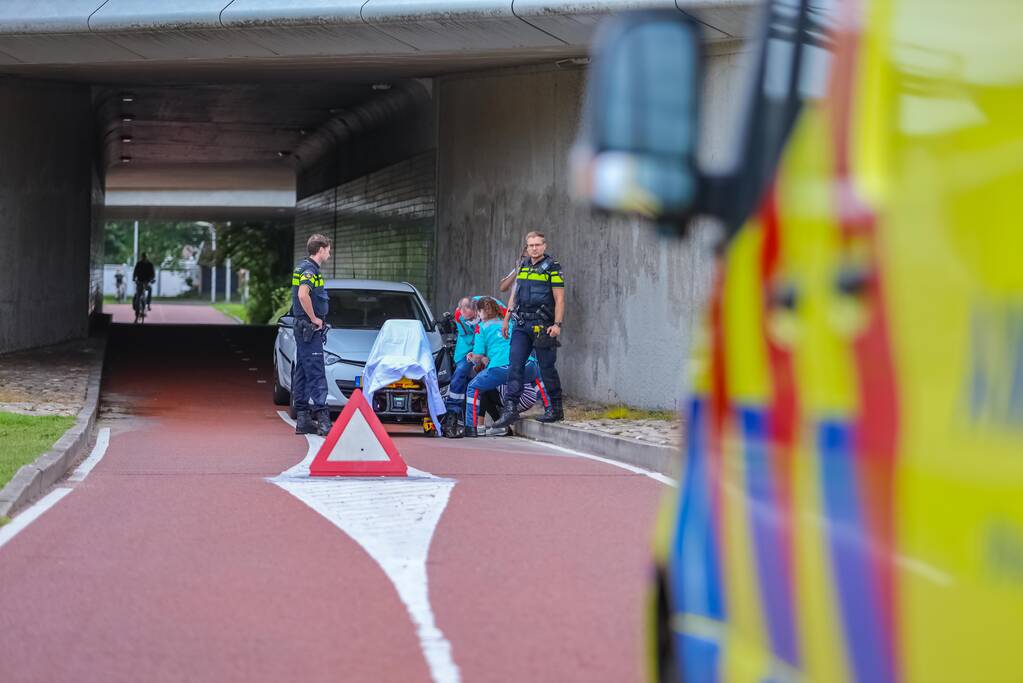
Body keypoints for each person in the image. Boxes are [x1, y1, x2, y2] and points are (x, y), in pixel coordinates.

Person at [494, 231, 565, 427]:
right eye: (531, 245)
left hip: (543, 326)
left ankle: (555, 409)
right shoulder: (523, 266)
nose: (534, 248)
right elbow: (513, 295)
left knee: (547, 368)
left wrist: (557, 324)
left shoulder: (552, 267)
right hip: (521, 324)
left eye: (537, 245)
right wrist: (506, 320)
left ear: (544, 246)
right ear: (526, 247)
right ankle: (510, 408)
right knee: (514, 365)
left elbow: (559, 298)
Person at [290, 234, 333, 436]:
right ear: (321, 249)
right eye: (328, 250)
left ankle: (303, 419)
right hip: (309, 328)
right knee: (316, 371)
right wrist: (315, 318)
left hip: (302, 328)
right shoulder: (310, 270)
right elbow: (302, 294)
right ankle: (323, 421)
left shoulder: (301, 267)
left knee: (302, 371)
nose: (329, 253)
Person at [464, 297, 513, 437]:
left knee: (475, 387)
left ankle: (472, 427)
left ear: (481, 312)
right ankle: (499, 424)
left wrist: (472, 357)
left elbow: (478, 356)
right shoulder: (509, 323)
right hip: (522, 386)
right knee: (485, 383)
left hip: (500, 371)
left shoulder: (481, 327)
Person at [444, 297, 480, 417]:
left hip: (486, 347)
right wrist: (475, 352)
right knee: (461, 371)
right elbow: (466, 336)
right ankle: (453, 409)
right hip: (466, 349)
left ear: (476, 310)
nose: (469, 321)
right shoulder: (459, 315)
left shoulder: (488, 309)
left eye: (471, 318)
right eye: (467, 319)